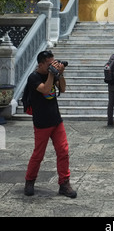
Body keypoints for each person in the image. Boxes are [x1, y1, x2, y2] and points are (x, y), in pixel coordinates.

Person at [24, 50, 77, 198]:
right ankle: (29, 181)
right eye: (49, 64)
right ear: (40, 64)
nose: (52, 66)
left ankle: (64, 183)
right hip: (42, 122)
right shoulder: (33, 77)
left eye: (53, 62)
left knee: (63, 151)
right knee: (38, 154)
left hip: (56, 119)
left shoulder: (53, 74)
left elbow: (63, 89)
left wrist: (60, 74)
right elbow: (45, 89)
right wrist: (52, 74)